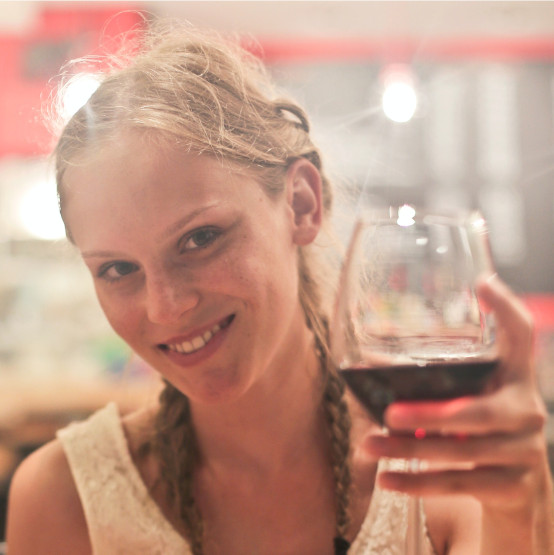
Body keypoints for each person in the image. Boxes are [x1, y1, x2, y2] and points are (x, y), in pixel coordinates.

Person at [5, 20, 554, 555]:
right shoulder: (63, 503)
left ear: (301, 204)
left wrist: (523, 515)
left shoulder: (437, 477)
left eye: (200, 239)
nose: (167, 307)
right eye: (119, 270)